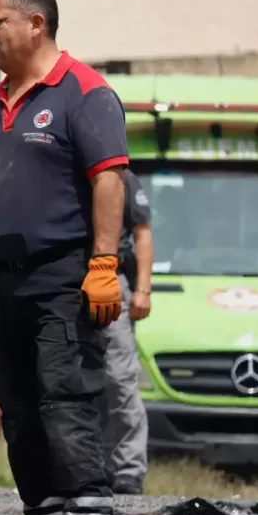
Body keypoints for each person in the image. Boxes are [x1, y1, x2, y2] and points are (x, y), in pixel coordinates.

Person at [0, 0, 127, 515]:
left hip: (65, 273)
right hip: (4, 280)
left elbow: (109, 181)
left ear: (36, 22)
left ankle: (88, 508)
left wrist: (103, 264)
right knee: (17, 402)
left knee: (64, 396)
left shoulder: (86, 93)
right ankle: (43, 510)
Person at [102, 166, 152, 495]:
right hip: (65, 279)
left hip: (112, 278)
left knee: (119, 378)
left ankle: (128, 469)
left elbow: (142, 233)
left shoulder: (122, 175)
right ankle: (87, 465)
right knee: (73, 380)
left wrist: (143, 289)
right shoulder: (61, 166)